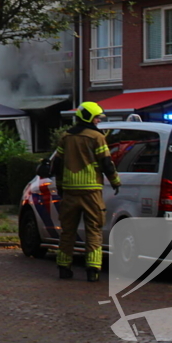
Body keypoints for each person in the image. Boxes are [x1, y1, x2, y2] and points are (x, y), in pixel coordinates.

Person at [51, 101, 121, 282]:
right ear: (89, 117)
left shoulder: (66, 137)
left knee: (68, 231)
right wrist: (115, 181)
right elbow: (106, 163)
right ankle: (93, 269)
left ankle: (64, 267)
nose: (98, 121)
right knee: (94, 230)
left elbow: (57, 164)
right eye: (97, 117)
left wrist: (60, 186)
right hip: (91, 191)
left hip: (69, 191)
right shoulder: (96, 137)